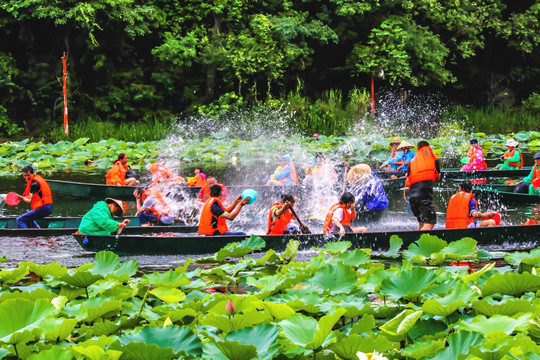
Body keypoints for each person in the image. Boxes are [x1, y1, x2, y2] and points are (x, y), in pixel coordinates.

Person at [405, 141, 440, 230]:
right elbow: (437, 177)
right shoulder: (434, 160)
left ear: (417, 149)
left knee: (421, 224)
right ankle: (418, 243)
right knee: (429, 224)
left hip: (413, 197)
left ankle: (414, 242)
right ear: (429, 148)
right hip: (424, 198)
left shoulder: (412, 162)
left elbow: (408, 177)